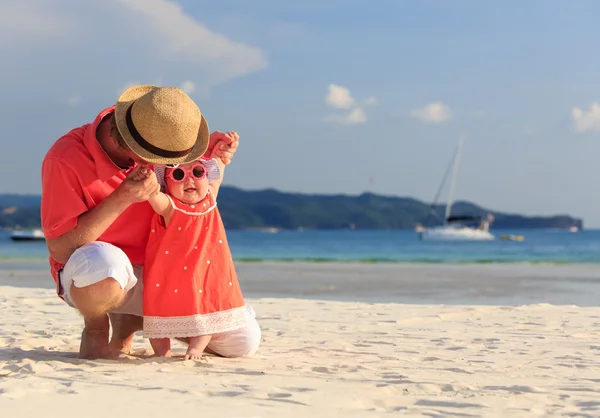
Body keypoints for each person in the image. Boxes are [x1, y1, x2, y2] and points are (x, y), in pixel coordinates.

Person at [41, 85, 259, 359]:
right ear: (130, 145)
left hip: (164, 276)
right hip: (100, 275)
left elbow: (197, 210)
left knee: (242, 343)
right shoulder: (66, 158)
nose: (174, 164)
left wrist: (209, 157)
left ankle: (132, 322)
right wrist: (122, 197)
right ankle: (97, 326)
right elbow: (61, 249)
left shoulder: (160, 135)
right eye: (168, 160)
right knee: (103, 266)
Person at [132, 153, 258, 360]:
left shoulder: (210, 198)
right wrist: (145, 176)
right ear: (166, 184)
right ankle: (162, 351)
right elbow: (152, 193)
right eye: (179, 174)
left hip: (204, 274)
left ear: (206, 176)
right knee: (159, 310)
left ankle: (196, 349)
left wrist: (221, 149)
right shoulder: (169, 206)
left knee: (204, 308)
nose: (189, 179)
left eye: (198, 172)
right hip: (168, 276)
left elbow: (220, 167)